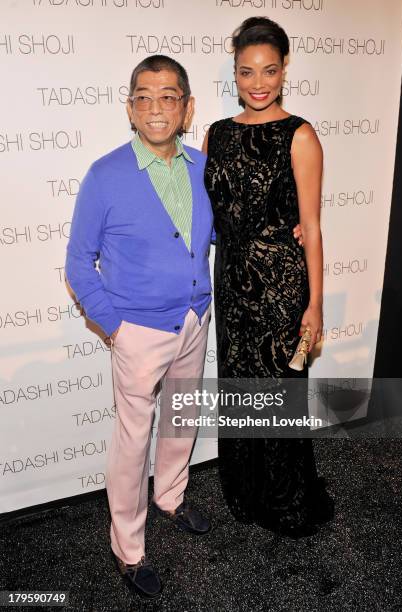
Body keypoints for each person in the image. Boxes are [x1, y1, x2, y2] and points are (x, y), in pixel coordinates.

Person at [65, 55, 213, 599]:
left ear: (187, 106)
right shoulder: (105, 176)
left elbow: (219, 236)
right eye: (145, 97)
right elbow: (80, 264)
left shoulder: (203, 168)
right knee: (132, 440)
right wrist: (114, 328)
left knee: (181, 414)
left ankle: (171, 496)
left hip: (195, 319)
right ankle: (128, 548)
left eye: (169, 96)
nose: (157, 107)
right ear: (130, 107)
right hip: (137, 332)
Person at [203, 17, 334, 537]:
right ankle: (245, 491)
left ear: (284, 70)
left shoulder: (300, 135)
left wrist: (315, 304)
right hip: (231, 282)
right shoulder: (217, 135)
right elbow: (214, 216)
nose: (258, 83)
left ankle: (284, 499)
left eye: (269, 71)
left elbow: (314, 227)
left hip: (281, 285)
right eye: (246, 72)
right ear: (235, 74)